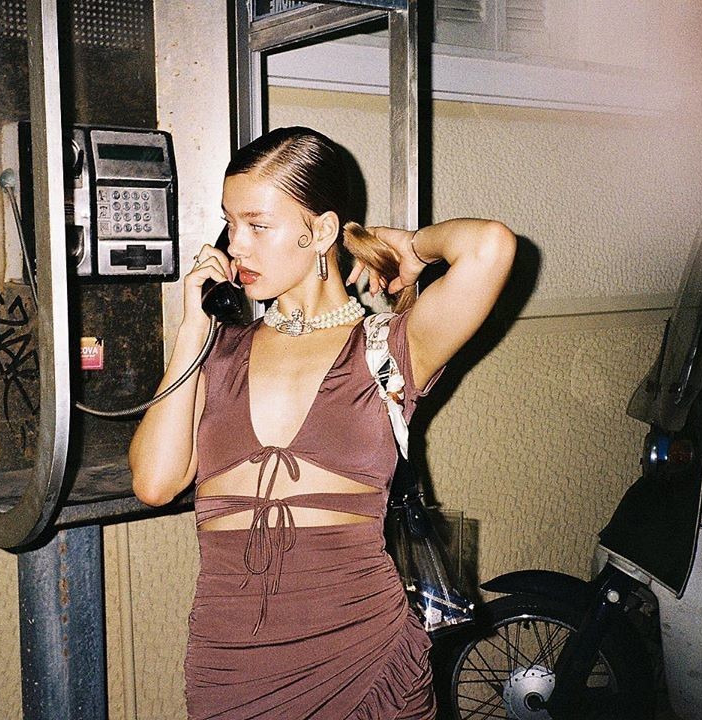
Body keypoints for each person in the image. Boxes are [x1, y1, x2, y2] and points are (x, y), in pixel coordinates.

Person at [130, 126, 516, 719]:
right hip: (232, 664)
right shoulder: (218, 352)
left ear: (321, 231)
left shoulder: (387, 346)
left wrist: (413, 248)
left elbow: (490, 245)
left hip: (364, 658)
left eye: (258, 225)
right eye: (230, 224)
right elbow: (155, 484)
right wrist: (191, 331)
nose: (235, 246)